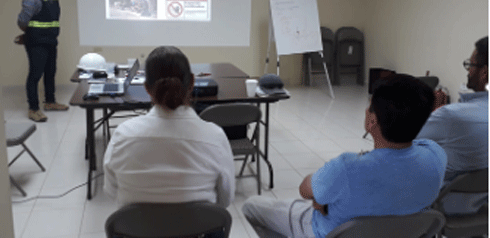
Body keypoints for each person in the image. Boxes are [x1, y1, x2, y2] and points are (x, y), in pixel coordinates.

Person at [242, 74, 447, 238]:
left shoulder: (348, 168)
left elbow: (305, 190)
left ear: (372, 121)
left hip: (326, 231)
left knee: (251, 207)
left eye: (369, 106)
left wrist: (321, 196)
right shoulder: (436, 156)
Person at [103, 46, 235, 209]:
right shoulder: (215, 137)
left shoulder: (122, 135)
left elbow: (111, 191)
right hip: (200, 232)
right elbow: (226, 199)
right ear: (192, 83)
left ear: (146, 88)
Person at [417, 36, 488, 214]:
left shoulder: (451, 116)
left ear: (484, 73)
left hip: (447, 205)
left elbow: (404, 142)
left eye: (471, 65)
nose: (468, 71)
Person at [17, 0, 68, 122]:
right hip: (36, 43)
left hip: (51, 41)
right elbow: (22, 21)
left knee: (50, 72)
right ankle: (33, 109)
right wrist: (31, 34)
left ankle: (50, 102)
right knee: (35, 74)